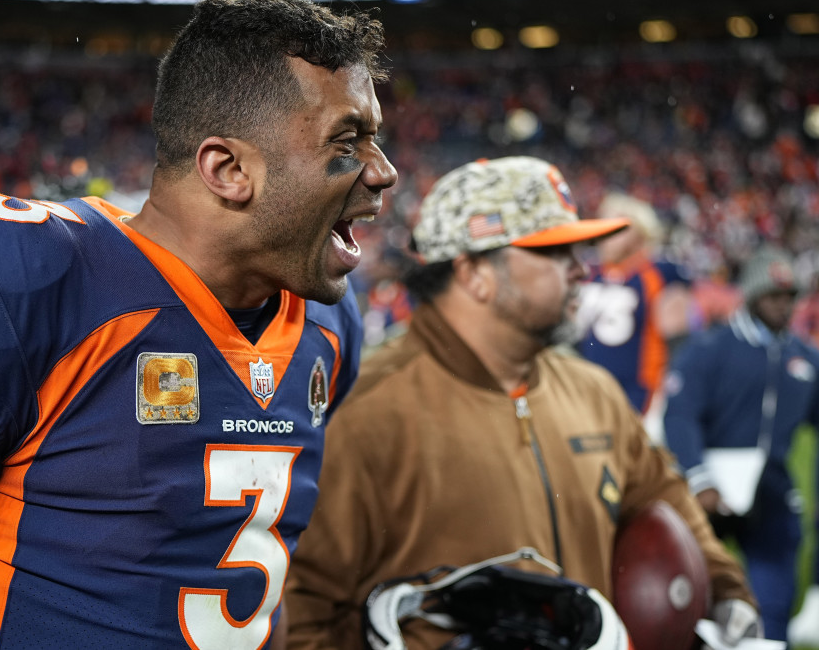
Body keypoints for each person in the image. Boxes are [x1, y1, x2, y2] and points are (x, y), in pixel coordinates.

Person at [0, 0, 394, 649]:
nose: (382, 173)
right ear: (229, 169)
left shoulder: (328, 325)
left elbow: (259, 591)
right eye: (348, 142)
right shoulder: (27, 279)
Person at [283, 156, 760, 649]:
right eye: (554, 252)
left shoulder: (591, 390)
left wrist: (727, 589)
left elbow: (665, 499)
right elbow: (303, 611)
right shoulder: (367, 409)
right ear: (474, 273)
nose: (581, 269)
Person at [662, 245, 819, 642]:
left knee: (774, 598)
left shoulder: (803, 358)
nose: (783, 306)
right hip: (709, 484)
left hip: (770, 485)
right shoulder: (710, 348)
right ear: (751, 296)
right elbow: (679, 415)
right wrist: (698, 477)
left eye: (789, 297)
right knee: (688, 593)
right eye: (773, 296)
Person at [574, 192, 692, 435]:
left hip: (638, 391)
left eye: (616, 227)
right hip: (585, 388)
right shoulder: (588, 272)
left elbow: (678, 339)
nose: (605, 236)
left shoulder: (658, 273)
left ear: (639, 232)